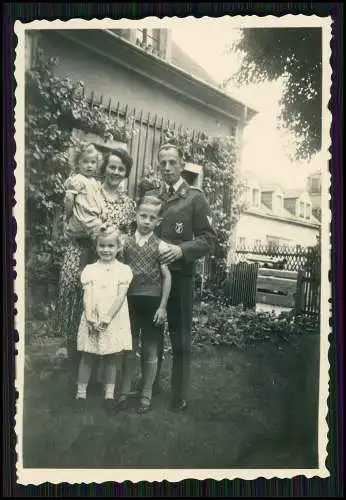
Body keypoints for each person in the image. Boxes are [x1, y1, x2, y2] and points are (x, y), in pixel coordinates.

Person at [54, 146, 136, 374]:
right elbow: (69, 223)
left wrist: (117, 239)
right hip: (81, 253)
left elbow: (128, 234)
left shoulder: (128, 204)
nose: (116, 172)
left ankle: (101, 370)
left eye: (121, 169)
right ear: (104, 167)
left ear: (126, 173)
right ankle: (74, 368)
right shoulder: (89, 188)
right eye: (112, 166)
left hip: (108, 262)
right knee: (77, 305)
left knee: (103, 308)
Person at [154, 143, 216, 412]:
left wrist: (181, 250)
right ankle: (150, 385)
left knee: (179, 335)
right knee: (152, 333)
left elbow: (208, 239)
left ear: (181, 164)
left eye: (172, 162)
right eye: (163, 163)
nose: (167, 168)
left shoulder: (195, 198)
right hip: (152, 275)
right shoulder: (153, 196)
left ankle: (179, 393)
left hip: (180, 276)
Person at [118, 195, 171, 413]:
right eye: (143, 216)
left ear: (158, 222)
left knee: (150, 348)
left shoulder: (161, 246)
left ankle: (146, 394)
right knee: (128, 347)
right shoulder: (125, 243)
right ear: (136, 216)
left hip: (151, 303)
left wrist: (162, 307)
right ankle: (124, 390)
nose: (147, 221)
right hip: (129, 301)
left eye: (152, 218)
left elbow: (167, 277)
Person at [74, 226, 133, 410]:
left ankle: (109, 396)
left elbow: (120, 296)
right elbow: (88, 294)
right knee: (88, 355)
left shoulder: (123, 270)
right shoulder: (90, 270)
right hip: (93, 317)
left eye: (110, 246)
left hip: (113, 319)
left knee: (111, 356)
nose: (106, 250)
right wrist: (91, 316)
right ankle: (81, 395)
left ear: (118, 247)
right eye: (102, 246)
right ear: (96, 246)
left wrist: (108, 317)